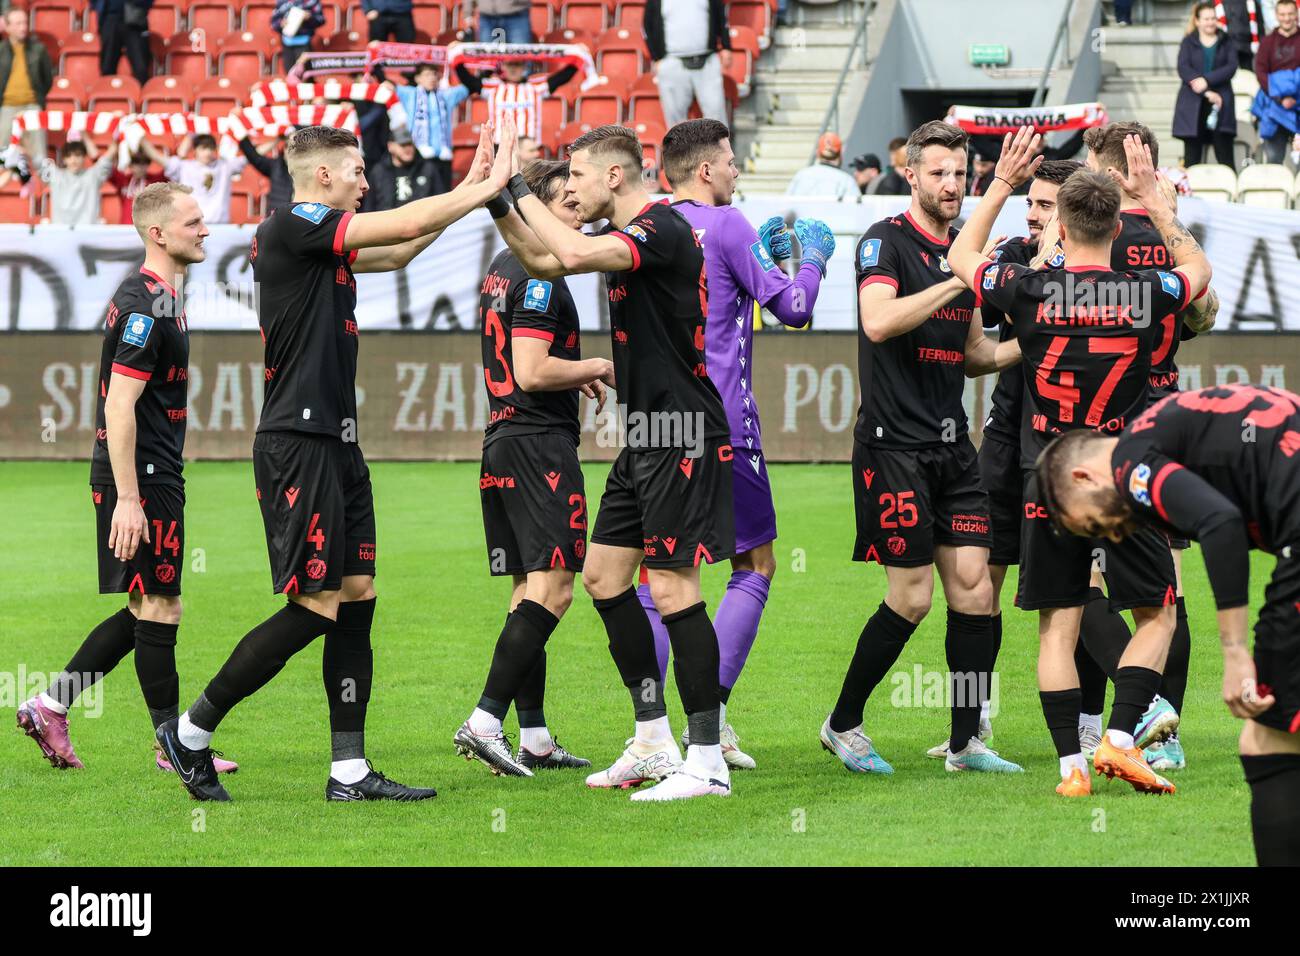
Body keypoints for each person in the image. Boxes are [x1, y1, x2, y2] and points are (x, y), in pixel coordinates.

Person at [154, 123, 516, 802]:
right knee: (315, 604)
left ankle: (348, 772)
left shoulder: (323, 242)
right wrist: (480, 190)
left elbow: (404, 247)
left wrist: (470, 192)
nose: (365, 178)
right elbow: (402, 219)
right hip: (299, 440)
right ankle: (192, 732)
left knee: (355, 596)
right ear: (322, 176)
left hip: (337, 442)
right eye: (355, 169)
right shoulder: (296, 222)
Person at [948, 129, 1212, 798]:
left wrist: (1002, 185)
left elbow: (960, 256)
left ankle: (1072, 767)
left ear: (1060, 224)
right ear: (1117, 223)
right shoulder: (1144, 292)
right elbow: (1201, 277)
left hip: (1050, 474)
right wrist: (1160, 206)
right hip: (1121, 475)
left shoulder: (1029, 288)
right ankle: (1122, 738)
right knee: (1158, 614)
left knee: (1057, 628)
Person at [496, 121, 737, 801]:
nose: (567, 188)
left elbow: (566, 252)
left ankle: (707, 759)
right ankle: (654, 740)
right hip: (648, 435)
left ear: (613, 176)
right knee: (604, 578)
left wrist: (515, 182)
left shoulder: (660, 226)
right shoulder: (631, 237)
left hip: (682, 430)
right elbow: (543, 261)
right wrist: (496, 203)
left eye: (574, 175)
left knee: (672, 590)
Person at [622, 118, 832, 770]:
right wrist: (813, 260)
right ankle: (708, 724)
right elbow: (794, 308)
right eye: (732, 162)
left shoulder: (649, 228)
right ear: (706, 170)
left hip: (656, 425)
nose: (737, 171)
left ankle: (650, 730)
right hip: (723, 428)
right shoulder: (731, 225)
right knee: (755, 566)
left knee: (657, 580)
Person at [823, 120, 1022, 778]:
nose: (951, 185)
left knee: (974, 592)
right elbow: (878, 321)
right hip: (891, 449)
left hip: (951, 450)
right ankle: (842, 722)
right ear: (909, 173)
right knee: (911, 597)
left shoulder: (963, 252)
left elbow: (973, 355)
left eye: (959, 175)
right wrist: (958, 279)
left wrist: (1040, 340)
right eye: (938, 173)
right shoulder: (886, 242)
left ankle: (966, 743)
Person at [1036, 384, 1300, 864]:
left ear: (1082, 476)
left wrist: (1236, 651)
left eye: (1095, 526)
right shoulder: (1165, 426)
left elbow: (1220, 523)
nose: (1114, 535)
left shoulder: (1131, 462)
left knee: (1267, 737)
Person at [16, 183, 228, 777]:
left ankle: (49, 704)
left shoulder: (163, 296)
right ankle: (174, 747)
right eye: (192, 222)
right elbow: (118, 407)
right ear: (157, 233)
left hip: (152, 473)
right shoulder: (143, 304)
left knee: (144, 607)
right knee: (162, 606)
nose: (205, 229)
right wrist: (129, 499)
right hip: (143, 477)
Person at [453, 159, 611, 776]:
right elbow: (533, 370)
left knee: (526, 591)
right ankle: (485, 721)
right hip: (537, 443)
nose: (577, 212)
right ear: (533, 212)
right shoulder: (539, 276)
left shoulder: (500, 267)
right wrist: (595, 366)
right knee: (556, 588)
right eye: (564, 205)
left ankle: (535, 737)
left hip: (502, 441)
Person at [922, 159, 1082, 764]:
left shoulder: (1102, 264)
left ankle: (1094, 725)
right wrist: (1030, 268)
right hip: (1004, 442)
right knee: (977, 589)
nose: (1032, 215)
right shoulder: (1014, 253)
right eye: (1030, 203)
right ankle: (973, 722)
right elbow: (985, 331)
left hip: (1064, 449)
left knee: (1074, 596)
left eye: (1045, 205)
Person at [1079, 122, 1220, 773]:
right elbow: (1205, 311)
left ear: (1110, 173)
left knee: (1083, 585)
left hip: (1100, 429)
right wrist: (1168, 216)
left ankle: (1119, 722)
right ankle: (1162, 733)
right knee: (1168, 589)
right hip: (1162, 429)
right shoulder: (1166, 242)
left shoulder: (1095, 239)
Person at [644, 0, 732, 128]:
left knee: (717, 120)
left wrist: (726, 45)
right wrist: (656, 58)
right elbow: (647, 25)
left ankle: (719, 149)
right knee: (676, 126)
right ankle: (679, 149)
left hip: (707, 60)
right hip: (672, 62)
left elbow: (721, 14)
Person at [454, 57, 579, 146]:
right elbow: (468, 80)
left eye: (517, 65)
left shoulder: (535, 86)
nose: (513, 69)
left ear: (524, 67)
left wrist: (578, 59)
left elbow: (562, 77)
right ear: (503, 66)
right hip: (500, 145)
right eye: (509, 65)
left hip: (528, 146)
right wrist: (456, 59)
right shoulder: (493, 87)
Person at [1175, 2, 1239, 169]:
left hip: (1221, 103)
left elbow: (1231, 67)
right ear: (1197, 21)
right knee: (1192, 159)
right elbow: (1183, 67)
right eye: (1206, 18)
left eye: (1213, 18)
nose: (1210, 22)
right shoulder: (1188, 41)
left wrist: (1207, 80)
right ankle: (1189, 194)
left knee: (1225, 156)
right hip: (1193, 103)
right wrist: (1205, 90)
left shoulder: (1226, 40)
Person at [389, 63, 469, 195]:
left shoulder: (446, 95)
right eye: (427, 74)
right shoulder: (410, 93)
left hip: (443, 157)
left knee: (443, 196)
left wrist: (458, 62)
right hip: (419, 155)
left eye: (434, 74)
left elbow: (470, 86)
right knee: (421, 195)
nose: (431, 78)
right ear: (417, 78)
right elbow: (387, 84)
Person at [139, 134, 247, 226]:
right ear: (195, 150)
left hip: (219, 226)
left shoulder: (225, 166)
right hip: (192, 226)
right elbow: (158, 158)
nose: (208, 152)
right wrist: (140, 139)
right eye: (204, 148)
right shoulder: (184, 167)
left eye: (211, 148)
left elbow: (252, 157)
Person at [0, 9, 52, 160]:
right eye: (18, 24)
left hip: (32, 105)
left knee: (38, 156)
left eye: (25, 23)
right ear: (8, 27)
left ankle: (40, 183)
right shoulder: (1, 51)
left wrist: (37, 99)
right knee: (2, 154)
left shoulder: (39, 49)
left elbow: (47, 80)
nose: (23, 27)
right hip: (6, 107)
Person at [1255, 0, 1300, 163]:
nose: (1286, 18)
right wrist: (1281, 98)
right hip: (1275, 108)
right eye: (1282, 14)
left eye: (1290, 14)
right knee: (1274, 158)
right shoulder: (1267, 42)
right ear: (1276, 15)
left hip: (1298, 106)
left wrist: (1295, 99)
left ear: (1296, 14)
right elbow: (1260, 73)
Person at [38, 136, 114, 226]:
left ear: (84, 157)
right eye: (69, 156)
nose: (73, 160)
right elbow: (36, 159)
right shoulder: (55, 175)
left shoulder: (93, 175)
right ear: (64, 159)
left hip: (87, 232)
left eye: (77, 155)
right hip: (61, 233)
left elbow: (109, 156)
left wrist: (118, 137)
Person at [364, 127, 436, 211]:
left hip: (420, 221)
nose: (407, 149)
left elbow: (439, 201)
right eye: (403, 145)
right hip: (387, 222)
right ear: (390, 146)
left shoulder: (427, 169)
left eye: (410, 144)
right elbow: (369, 207)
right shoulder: (379, 172)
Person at [95, 0, 152, 84]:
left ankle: (141, 94)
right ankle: (107, 95)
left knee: (141, 69)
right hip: (109, 18)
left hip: (135, 19)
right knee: (107, 67)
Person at [786, 132, 858, 199]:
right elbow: (857, 209)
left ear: (818, 153)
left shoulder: (801, 175)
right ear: (840, 154)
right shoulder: (846, 180)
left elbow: (786, 205)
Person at [238, 131, 294, 213]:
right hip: (277, 217)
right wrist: (277, 140)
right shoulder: (275, 166)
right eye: (287, 146)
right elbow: (254, 157)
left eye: (294, 147)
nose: (290, 151)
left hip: (300, 218)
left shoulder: (309, 168)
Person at [108, 153, 167, 225]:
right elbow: (105, 166)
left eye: (145, 162)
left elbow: (171, 168)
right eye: (136, 162)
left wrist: (149, 151)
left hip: (146, 229)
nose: (140, 167)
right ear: (130, 165)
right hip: (125, 229)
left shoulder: (155, 181)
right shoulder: (123, 180)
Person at [272, 0, 326, 74]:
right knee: (290, 74)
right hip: (287, 42)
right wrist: (280, 23)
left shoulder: (312, 2)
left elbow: (321, 19)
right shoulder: (281, 2)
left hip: (305, 42)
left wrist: (310, 18)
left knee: (305, 74)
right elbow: (273, 22)